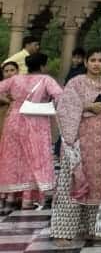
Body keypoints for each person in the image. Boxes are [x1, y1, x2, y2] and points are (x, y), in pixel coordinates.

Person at [50, 47, 101, 245]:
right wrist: (87, 107)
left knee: (95, 186)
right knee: (72, 184)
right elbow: (64, 107)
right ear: (85, 63)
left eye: (100, 60)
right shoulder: (75, 82)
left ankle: (89, 229)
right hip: (77, 140)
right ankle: (63, 232)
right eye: (93, 60)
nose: (96, 64)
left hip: (100, 144)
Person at [0, 52, 62, 211]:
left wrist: (10, 101)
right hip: (36, 123)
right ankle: (27, 200)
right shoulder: (46, 80)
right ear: (43, 66)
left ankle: (9, 197)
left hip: (14, 121)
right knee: (33, 160)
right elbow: (60, 96)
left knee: (12, 158)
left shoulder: (15, 79)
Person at [0, 60, 20, 142]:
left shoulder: (22, 86)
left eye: (12, 70)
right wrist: (8, 101)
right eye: (6, 71)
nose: (9, 73)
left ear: (17, 71)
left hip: (17, 120)